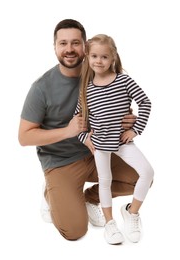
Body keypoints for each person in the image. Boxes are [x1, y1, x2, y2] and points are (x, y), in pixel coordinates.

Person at [18, 19, 140, 243]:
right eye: (63, 43)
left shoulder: (99, 71)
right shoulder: (41, 87)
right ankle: (51, 192)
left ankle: (90, 197)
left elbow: (118, 105)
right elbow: (24, 136)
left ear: (85, 46)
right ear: (54, 47)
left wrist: (126, 120)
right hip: (61, 161)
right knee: (75, 231)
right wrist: (67, 131)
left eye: (75, 43)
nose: (69, 49)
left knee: (142, 177)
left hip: (97, 152)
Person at [74, 34, 154, 244]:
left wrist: (135, 130)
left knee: (147, 172)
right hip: (100, 144)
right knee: (105, 181)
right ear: (88, 58)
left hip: (122, 142)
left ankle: (132, 212)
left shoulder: (123, 80)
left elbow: (145, 103)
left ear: (113, 58)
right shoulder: (86, 88)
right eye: (94, 56)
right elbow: (79, 118)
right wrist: (85, 137)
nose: (98, 61)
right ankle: (110, 224)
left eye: (104, 57)